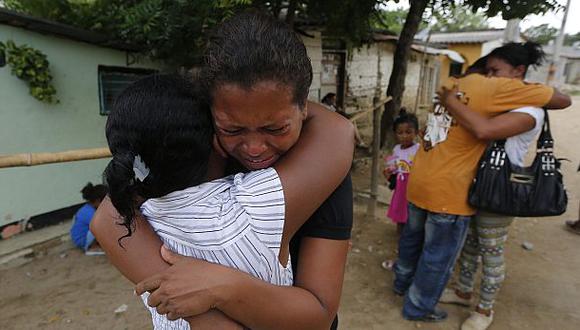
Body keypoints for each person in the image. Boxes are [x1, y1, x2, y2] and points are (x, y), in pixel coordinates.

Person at [91, 11, 355, 330]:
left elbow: (320, 313)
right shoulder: (197, 154)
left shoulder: (324, 168)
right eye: (232, 129)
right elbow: (109, 216)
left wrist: (219, 288)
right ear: (209, 113)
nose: (254, 148)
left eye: (275, 127)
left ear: (304, 107)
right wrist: (205, 314)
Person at [393, 41, 572, 322]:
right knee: (463, 249)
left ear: (518, 71)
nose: (490, 76)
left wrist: (452, 103)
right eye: (486, 70)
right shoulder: (493, 95)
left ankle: (483, 309)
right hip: (465, 189)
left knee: (489, 252)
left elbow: (484, 129)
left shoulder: (526, 108)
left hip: (497, 190)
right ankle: (458, 294)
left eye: (495, 70)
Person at [381, 108, 419, 270]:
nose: (404, 136)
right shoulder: (396, 150)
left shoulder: (419, 149)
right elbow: (394, 166)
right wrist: (389, 171)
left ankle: (410, 249)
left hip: (414, 188)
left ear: (416, 132)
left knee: (413, 219)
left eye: (409, 132)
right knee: (400, 218)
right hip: (401, 189)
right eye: (400, 133)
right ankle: (401, 244)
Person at [69, 182, 107, 255]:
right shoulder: (90, 213)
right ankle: (92, 247)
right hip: (82, 240)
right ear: (98, 201)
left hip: (81, 237)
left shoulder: (88, 208)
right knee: (101, 227)